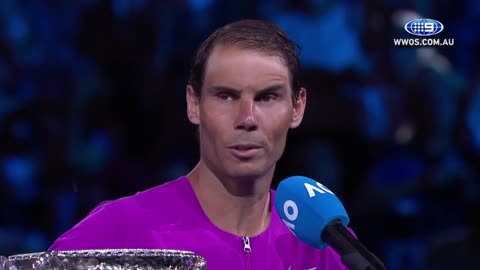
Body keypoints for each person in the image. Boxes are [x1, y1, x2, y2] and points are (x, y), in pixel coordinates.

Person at [49, 19, 351, 269]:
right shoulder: (123, 228)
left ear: (297, 107)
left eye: (267, 97)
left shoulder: (325, 240)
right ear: (194, 104)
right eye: (226, 96)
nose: (247, 118)